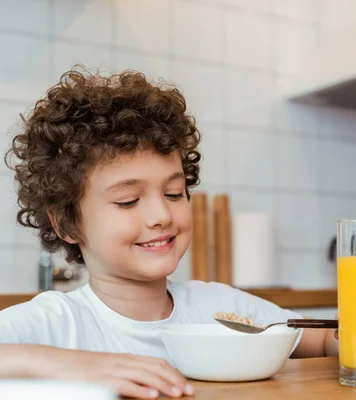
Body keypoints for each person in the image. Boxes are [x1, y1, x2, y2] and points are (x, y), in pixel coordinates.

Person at [0, 67, 338, 399]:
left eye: (174, 194)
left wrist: (349, 331)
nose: (161, 215)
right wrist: (68, 364)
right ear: (67, 223)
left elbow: (320, 338)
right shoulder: (57, 323)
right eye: (128, 201)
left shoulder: (220, 307)